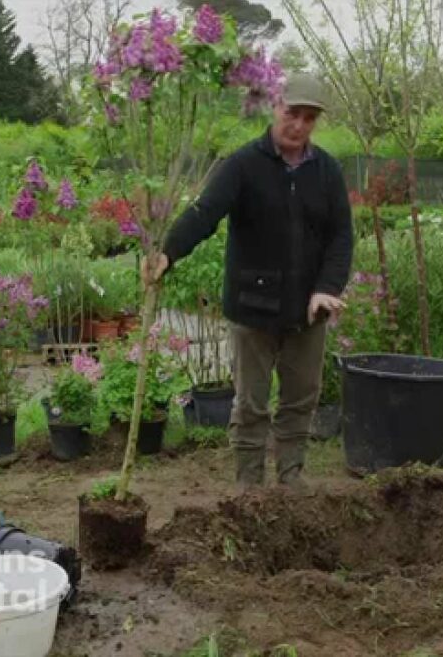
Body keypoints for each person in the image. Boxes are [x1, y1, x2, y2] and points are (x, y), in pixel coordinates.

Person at [143, 73, 354, 489]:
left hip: (307, 313)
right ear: (275, 107)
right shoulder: (242, 165)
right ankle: (249, 491)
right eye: (293, 113)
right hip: (252, 310)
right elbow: (204, 213)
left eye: (309, 118)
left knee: (299, 402)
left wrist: (327, 288)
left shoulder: (327, 171)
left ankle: (291, 481)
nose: (299, 125)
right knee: (251, 406)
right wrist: (167, 252)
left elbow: (341, 236)